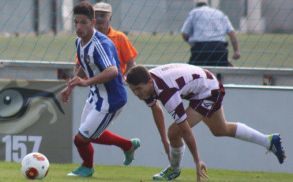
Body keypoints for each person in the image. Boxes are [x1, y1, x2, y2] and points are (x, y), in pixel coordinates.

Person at [126, 63, 286, 181]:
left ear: (149, 83)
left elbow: (185, 130)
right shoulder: (148, 84)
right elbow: (156, 109)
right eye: (133, 90)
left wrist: (197, 161)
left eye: (138, 89)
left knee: (175, 131)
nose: (136, 93)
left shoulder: (166, 92)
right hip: (205, 84)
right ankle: (269, 141)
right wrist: (164, 142)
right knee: (220, 129)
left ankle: (174, 170)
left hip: (208, 91)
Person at [61, 2, 140, 177]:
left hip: (112, 100)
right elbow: (84, 63)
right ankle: (128, 145)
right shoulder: (79, 41)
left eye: (83, 22)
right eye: (75, 22)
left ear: (93, 22)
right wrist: (70, 87)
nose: (78, 27)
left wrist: (87, 83)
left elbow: (112, 70)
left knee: (81, 138)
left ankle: (88, 167)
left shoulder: (100, 44)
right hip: (96, 96)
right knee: (87, 135)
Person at [75, 2, 138, 81]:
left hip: (114, 84)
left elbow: (131, 64)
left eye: (103, 15)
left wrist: (124, 78)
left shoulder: (120, 37)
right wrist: (78, 81)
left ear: (110, 18)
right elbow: (79, 65)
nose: (99, 18)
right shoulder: (84, 38)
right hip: (91, 85)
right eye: (96, 15)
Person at [181, 0, 241, 66]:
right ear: (207, 4)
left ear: (196, 5)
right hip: (219, 48)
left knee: (197, 72)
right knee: (220, 72)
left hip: (201, 48)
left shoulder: (194, 13)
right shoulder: (220, 13)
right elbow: (232, 33)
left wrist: (192, 44)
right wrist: (236, 51)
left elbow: (184, 34)